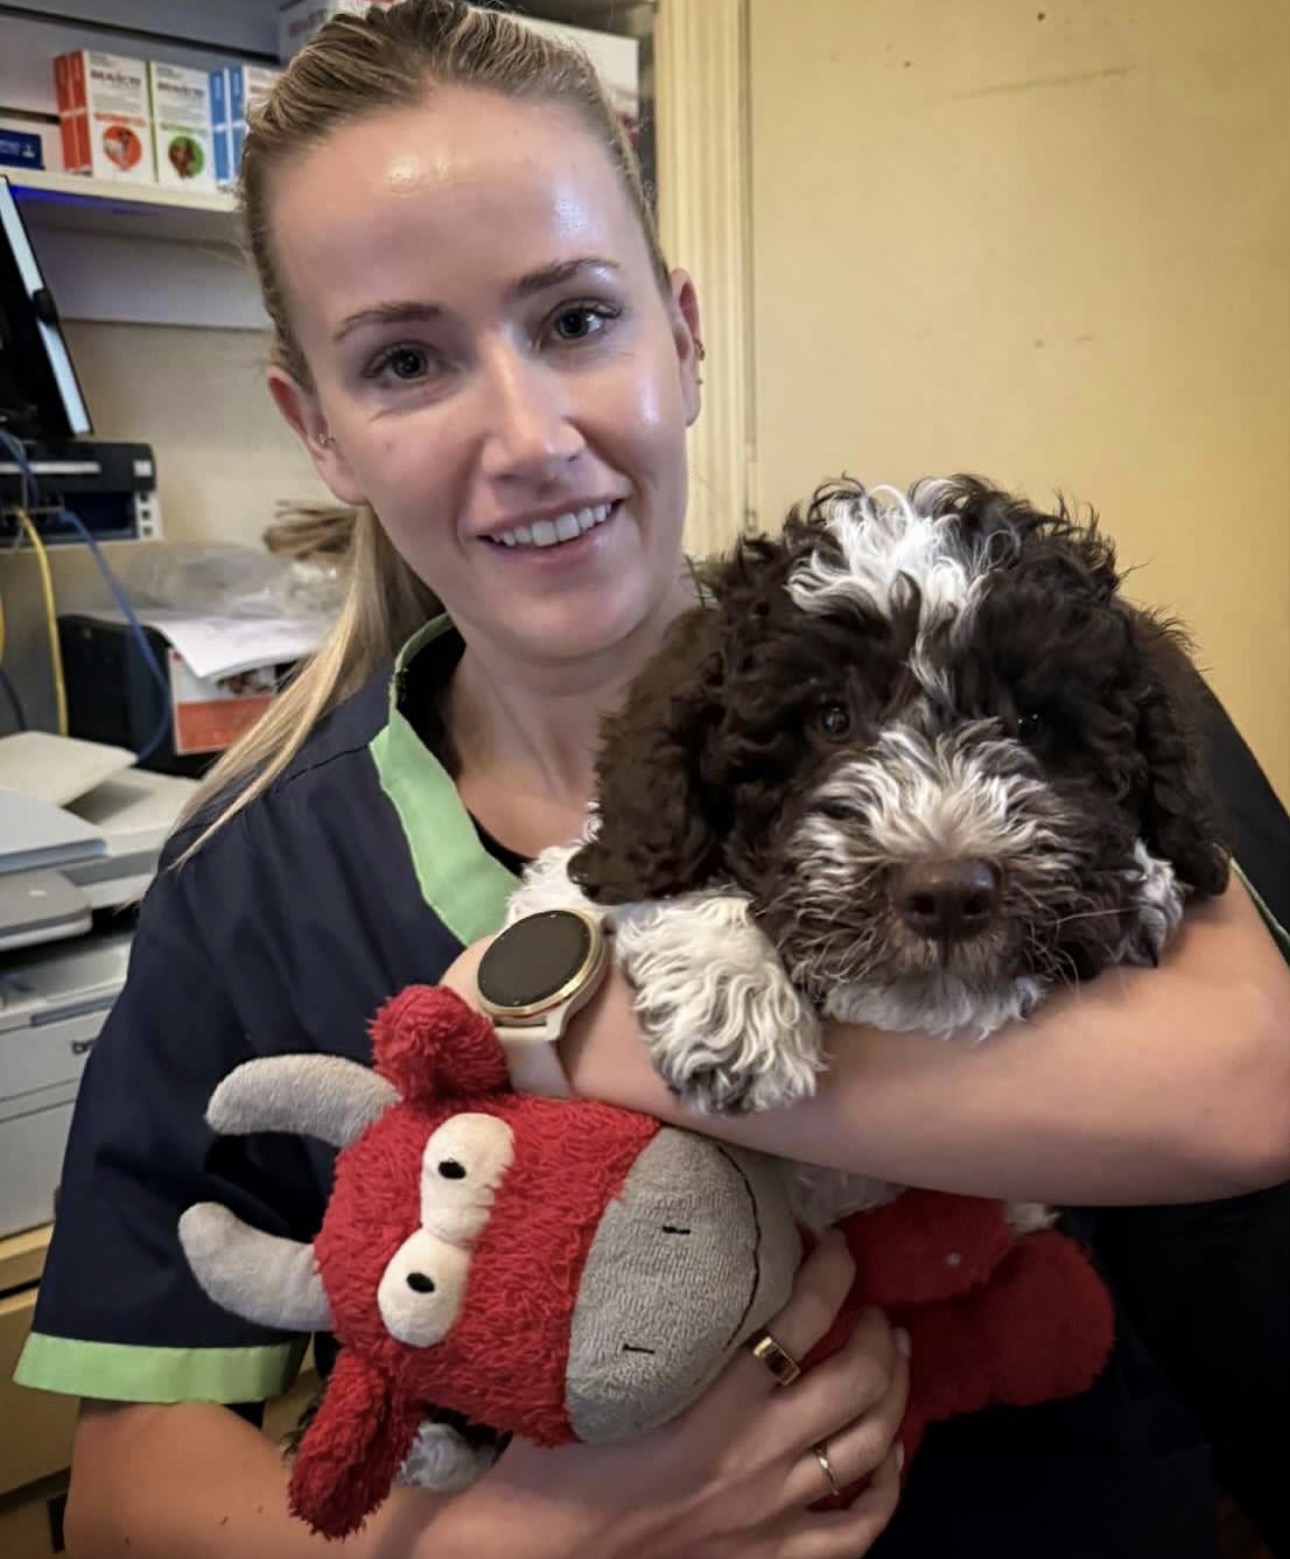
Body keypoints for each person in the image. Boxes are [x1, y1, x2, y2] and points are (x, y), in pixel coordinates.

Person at [12, 3, 1288, 1557]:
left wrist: (576, 1031)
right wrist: (535, 1544)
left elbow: (1248, 1087)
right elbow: (129, 1493)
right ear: (318, 429)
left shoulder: (1032, 673)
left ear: (681, 333)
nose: (529, 436)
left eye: (574, 320)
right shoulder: (249, 875)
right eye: (405, 361)